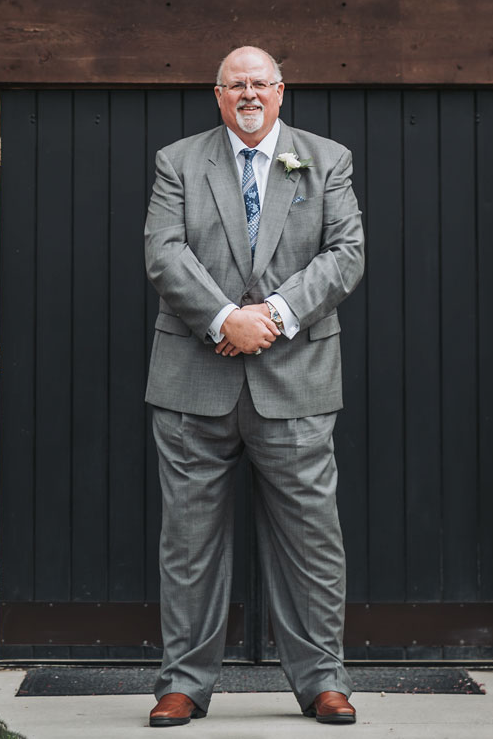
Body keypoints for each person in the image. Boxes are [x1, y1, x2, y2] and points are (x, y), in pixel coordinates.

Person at [143, 45, 365, 727]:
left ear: (280, 92)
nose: (248, 93)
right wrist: (223, 319)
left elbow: (346, 252)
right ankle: (183, 683)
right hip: (193, 383)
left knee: (312, 539)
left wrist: (273, 315)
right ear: (217, 95)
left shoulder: (326, 159)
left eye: (259, 84)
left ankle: (323, 681)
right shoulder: (177, 162)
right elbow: (163, 251)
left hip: (295, 381)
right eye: (235, 84)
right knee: (188, 543)